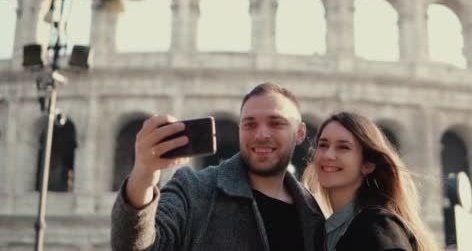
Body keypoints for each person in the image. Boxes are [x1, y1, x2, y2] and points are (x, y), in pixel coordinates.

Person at [111, 82, 325, 251]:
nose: (261, 135)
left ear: (300, 133)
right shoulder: (192, 189)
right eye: (249, 124)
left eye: (276, 123)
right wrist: (144, 174)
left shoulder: (313, 211)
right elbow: (135, 246)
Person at [303, 112, 439, 251]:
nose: (328, 155)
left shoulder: (377, 225)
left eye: (343, 147)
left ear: (367, 165)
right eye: (323, 145)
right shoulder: (330, 230)